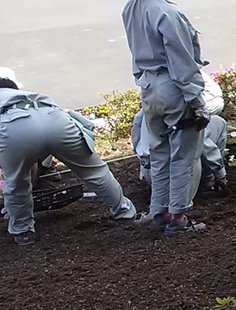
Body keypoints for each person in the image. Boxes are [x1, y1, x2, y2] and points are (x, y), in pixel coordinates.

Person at [121, 0, 209, 237]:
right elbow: (182, 62)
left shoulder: (131, 7)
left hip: (148, 86)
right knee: (183, 154)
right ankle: (178, 217)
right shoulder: (167, 13)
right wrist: (196, 100)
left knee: (158, 152)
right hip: (172, 87)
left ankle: (158, 212)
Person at [0, 70, 139, 245]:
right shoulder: (25, 95)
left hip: (12, 125)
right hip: (54, 117)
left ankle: (23, 232)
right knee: (95, 172)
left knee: (16, 182)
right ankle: (125, 214)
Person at [133, 75, 229, 200]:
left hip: (154, 175)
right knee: (214, 126)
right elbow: (204, 143)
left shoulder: (148, 105)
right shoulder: (183, 108)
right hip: (179, 180)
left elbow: (136, 137)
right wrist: (221, 174)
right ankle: (207, 183)